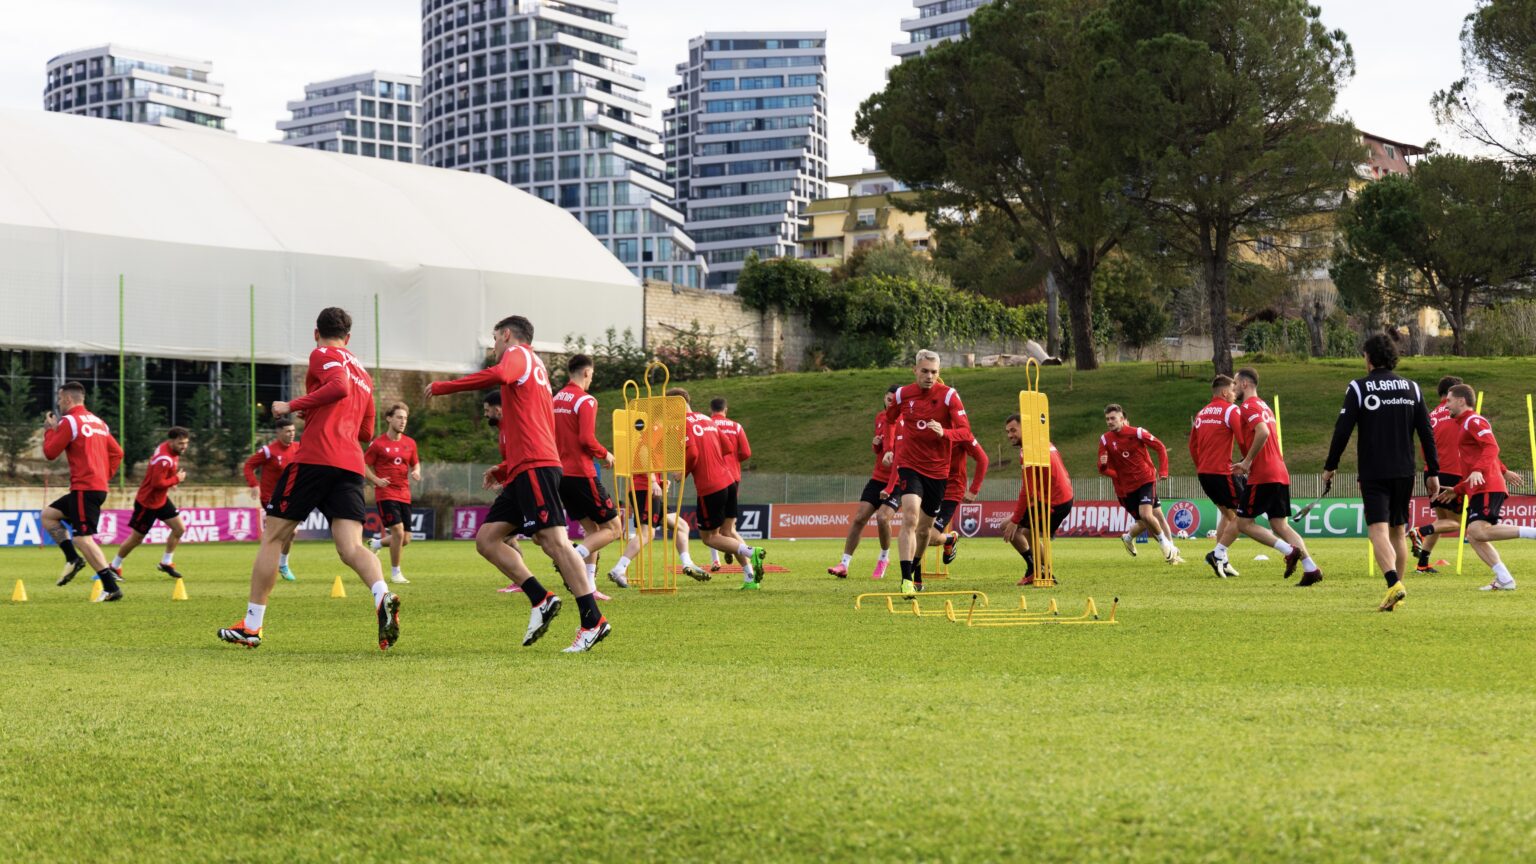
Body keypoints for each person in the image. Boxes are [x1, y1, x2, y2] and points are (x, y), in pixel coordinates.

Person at [218, 307, 400, 650]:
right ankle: (382, 596)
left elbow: (338, 386)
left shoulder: (323, 353)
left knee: (273, 537)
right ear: (349, 337)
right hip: (350, 464)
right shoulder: (364, 372)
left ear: (316, 332)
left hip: (316, 458)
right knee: (351, 547)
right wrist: (315, 410)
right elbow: (366, 430)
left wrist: (291, 405)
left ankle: (252, 626)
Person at [424, 314, 609, 652]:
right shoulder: (534, 367)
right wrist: (507, 465)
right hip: (526, 466)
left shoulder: (519, 355)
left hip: (535, 466)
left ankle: (592, 619)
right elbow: (535, 424)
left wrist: (443, 387)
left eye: (495, 339)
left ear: (507, 335)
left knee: (553, 541)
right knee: (487, 539)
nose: (494, 346)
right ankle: (541, 599)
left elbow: (496, 375)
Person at [1322, 334, 1439, 612]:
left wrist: (1331, 465)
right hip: (1404, 471)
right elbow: (1426, 432)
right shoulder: (1412, 387)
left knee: (1377, 529)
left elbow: (1342, 430)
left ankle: (1392, 584)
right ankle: (1395, 591)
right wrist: (1432, 471)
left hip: (1374, 471)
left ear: (1369, 357)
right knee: (1398, 531)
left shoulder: (1359, 387)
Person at [1428, 384, 1533, 590]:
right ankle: (1505, 579)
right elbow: (1478, 456)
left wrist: (1478, 470)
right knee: (1473, 535)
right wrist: (1457, 489)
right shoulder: (1464, 423)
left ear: (1461, 400)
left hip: (1487, 486)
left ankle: (1532, 533)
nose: (1446, 405)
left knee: (1479, 531)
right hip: (1478, 487)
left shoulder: (1473, 420)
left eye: (1448, 401)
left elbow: (1491, 446)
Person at [885, 349, 971, 596]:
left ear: (939, 373)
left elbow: (965, 432)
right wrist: (891, 448)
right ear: (915, 371)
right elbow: (890, 420)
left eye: (934, 372)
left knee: (925, 530)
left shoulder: (949, 397)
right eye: (924, 371)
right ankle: (906, 579)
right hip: (910, 465)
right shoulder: (902, 395)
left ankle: (914, 566)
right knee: (910, 517)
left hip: (938, 471)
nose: (929, 376)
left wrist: (946, 433)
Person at [1231, 368, 1324, 585]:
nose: (1233, 388)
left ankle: (1288, 550)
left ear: (1245, 384)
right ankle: (1311, 568)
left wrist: (1246, 462)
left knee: (1243, 523)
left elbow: (1262, 432)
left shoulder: (1248, 406)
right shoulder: (1265, 407)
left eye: (1235, 383)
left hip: (1263, 474)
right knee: (1280, 525)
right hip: (1280, 472)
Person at [670, 387, 768, 590]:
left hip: (710, 486)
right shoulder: (707, 419)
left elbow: (693, 454)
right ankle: (750, 577)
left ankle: (752, 552)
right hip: (730, 481)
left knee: (710, 537)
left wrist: (683, 472)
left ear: (674, 405)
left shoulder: (682, 424)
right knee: (728, 530)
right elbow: (728, 447)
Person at [40, 381, 125, 600]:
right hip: (95, 487)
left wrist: (49, 431)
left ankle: (110, 587)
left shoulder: (70, 421)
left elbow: (50, 453)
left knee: (82, 539)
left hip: (84, 488)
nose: (59, 403)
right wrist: (103, 476)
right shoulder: (99, 422)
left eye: (60, 399)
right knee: (49, 516)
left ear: (68, 399)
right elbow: (117, 453)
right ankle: (73, 559)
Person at [553, 354, 623, 588]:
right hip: (582, 474)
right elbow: (586, 439)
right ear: (586, 373)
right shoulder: (585, 400)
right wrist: (605, 453)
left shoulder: (555, 400)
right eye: (591, 375)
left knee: (592, 530)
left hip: (561, 474)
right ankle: (571, 557)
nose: (591, 380)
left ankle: (590, 587)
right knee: (614, 529)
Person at [828, 385, 900, 580]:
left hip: (899, 480)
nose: (890, 402)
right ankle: (843, 564)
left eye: (895, 399)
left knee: (883, 518)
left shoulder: (905, 421)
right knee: (860, 518)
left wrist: (894, 456)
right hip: (878, 478)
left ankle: (884, 558)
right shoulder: (880, 418)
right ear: (884, 399)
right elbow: (880, 450)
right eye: (888, 398)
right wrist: (876, 445)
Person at [1098, 404, 1182, 564]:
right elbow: (1102, 469)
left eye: (1113, 418)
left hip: (1146, 480)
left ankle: (1169, 549)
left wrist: (1163, 471)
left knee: (1149, 515)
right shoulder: (1105, 439)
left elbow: (1160, 447)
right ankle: (1128, 537)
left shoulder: (1137, 433)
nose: (1110, 421)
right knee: (1145, 521)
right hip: (1126, 488)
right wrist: (1103, 465)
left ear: (1122, 419)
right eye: (1107, 419)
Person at [479, 390, 543, 595]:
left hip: (530, 487)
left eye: (487, 410)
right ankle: (522, 581)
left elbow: (525, 456)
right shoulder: (502, 429)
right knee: (503, 538)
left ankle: (580, 553)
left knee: (545, 538)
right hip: (515, 488)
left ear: (499, 408)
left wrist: (501, 471)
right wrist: (504, 478)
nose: (486, 414)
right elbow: (514, 461)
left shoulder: (515, 426)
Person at [110, 427, 191, 579]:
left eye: (186, 443)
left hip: (160, 500)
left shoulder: (169, 450)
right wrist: (176, 479)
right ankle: (114, 566)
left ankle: (166, 563)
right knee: (136, 539)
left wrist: (171, 478)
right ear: (171, 441)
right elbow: (156, 483)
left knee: (179, 529)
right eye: (181, 443)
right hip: (147, 503)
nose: (184, 446)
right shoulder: (164, 459)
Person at [1002, 414, 1073, 586]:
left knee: (1012, 528)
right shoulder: (1043, 442)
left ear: (1024, 428)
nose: (1010, 435)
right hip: (1058, 498)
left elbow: (1027, 490)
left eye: (1013, 430)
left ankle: (1039, 571)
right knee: (1025, 531)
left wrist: (1015, 520)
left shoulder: (1029, 451)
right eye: (1007, 432)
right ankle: (1039, 570)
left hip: (1055, 502)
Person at [1409, 376, 1466, 573]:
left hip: (1431, 473)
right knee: (1455, 523)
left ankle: (1422, 563)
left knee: (1441, 522)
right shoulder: (1458, 414)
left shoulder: (1431, 415)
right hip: (1453, 473)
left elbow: (1424, 446)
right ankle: (1419, 531)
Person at [1189, 376, 1244, 578]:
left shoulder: (1201, 413)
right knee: (1243, 517)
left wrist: (1202, 465)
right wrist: (1248, 462)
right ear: (1223, 393)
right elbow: (1243, 438)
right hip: (1222, 473)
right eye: (1233, 390)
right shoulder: (1230, 410)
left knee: (1226, 515)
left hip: (1204, 473)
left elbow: (1192, 446)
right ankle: (1217, 555)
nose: (1235, 394)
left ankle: (1223, 559)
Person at [364, 402, 421, 585]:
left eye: (405, 418)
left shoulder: (410, 443)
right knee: (397, 530)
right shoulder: (378, 444)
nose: (403, 421)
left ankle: (377, 544)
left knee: (405, 539)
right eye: (399, 417)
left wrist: (416, 471)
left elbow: (415, 463)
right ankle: (396, 572)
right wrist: (376, 480)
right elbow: (363, 464)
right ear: (389, 418)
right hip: (386, 493)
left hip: (404, 493)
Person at [244, 418, 299, 581]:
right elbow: (248, 465)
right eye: (288, 431)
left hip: (289, 498)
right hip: (270, 498)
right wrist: (254, 484)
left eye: (293, 431)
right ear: (279, 432)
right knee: (284, 532)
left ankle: (281, 565)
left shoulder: (299, 448)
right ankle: (269, 567)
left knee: (290, 534)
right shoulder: (269, 451)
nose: (291, 434)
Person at [928, 430, 988, 566]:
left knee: (929, 538)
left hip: (951, 491)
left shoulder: (960, 432)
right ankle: (915, 580)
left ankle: (950, 539)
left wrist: (973, 490)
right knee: (916, 534)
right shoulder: (926, 427)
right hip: (931, 488)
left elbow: (983, 459)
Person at [708, 397, 752, 571]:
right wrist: (734, 459)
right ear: (726, 409)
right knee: (729, 526)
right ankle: (747, 560)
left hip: (713, 478)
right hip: (733, 478)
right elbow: (746, 452)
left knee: (712, 528)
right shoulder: (736, 426)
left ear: (711, 409)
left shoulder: (706, 425)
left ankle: (717, 559)